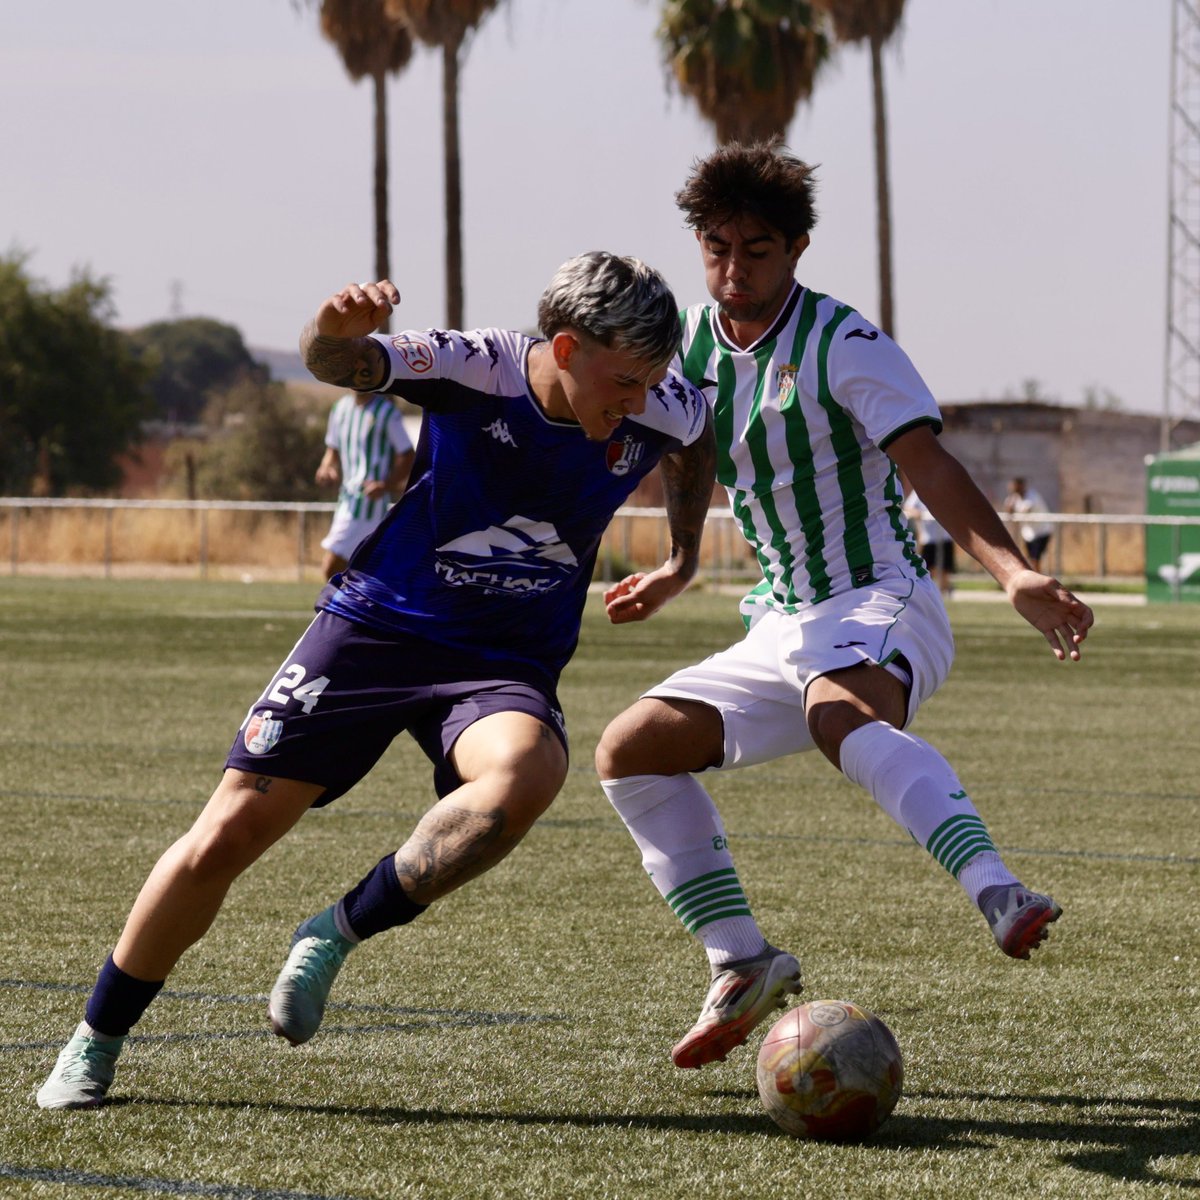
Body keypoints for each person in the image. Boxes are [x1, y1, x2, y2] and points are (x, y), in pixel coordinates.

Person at [36, 251, 716, 1109]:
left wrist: (683, 557)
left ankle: (335, 932)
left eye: (651, 380)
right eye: (624, 380)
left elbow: (696, 440)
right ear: (568, 348)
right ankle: (94, 1041)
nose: (639, 400)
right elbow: (340, 364)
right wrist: (331, 333)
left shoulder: (659, 402)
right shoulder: (478, 367)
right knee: (227, 833)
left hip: (501, 663)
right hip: (375, 629)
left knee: (527, 775)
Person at [595, 142, 1094, 1072]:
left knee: (839, 715)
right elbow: (687, 450)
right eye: (717, 249)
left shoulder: (843, 342)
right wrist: (678, 561)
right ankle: (741, 959)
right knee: (630, 751)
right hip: (779, 618)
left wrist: (1013, 574)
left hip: (880, 596)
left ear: (797, 248)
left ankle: (998, 890)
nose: (734, 270)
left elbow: (928, 463)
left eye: (756, 251)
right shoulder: (687, 346)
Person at [316, 391, 416, 581]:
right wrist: (326, 467)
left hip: (368, 504)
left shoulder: (386, 412)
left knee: (332, 567)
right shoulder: (340, 408)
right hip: (345, 500)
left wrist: (385, 485)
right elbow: (332, 449)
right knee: (360, 571)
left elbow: (408, 455)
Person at [903, 487, 955, 595]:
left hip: (945, 537)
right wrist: (918, 513)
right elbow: (908, 507)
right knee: (927, 569)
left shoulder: (945, 489)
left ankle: (945, 592)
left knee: (945, 569)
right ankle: (929, 593)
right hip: (928, 539)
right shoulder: (918, 491)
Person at [1002, 477, 1053, 572]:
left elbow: (1027, 510)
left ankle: (1037, 577)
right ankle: (1035, 575)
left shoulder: (1032, 495)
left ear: (1021, 486)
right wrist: (1012, 500)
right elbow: (1008, 511)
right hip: (1028, 533)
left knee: (1035, 557)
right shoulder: (1013, 498)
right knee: (1030, 557)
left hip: (1042, 531)